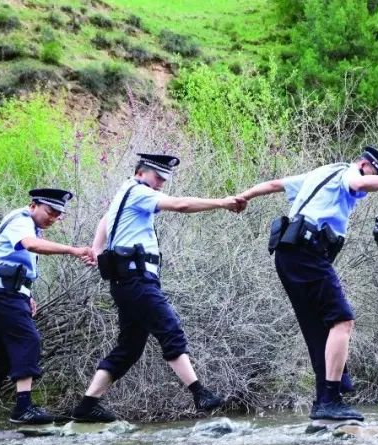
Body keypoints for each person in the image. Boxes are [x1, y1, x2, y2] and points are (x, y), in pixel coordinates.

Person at [235, 147, 378, 421]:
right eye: (376, 174)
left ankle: (324, 402)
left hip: (288, 254)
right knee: (342, 320)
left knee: (319, 329)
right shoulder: (348, 173)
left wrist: (245, 196)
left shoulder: (322, 172)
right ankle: (330, 399)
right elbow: (358, 182)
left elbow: (275, 184)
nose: (369, 189)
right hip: (307, 253)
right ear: (364, 164)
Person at [70, 153, 246, 422]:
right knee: (170, 329)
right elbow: (181, 205)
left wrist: (97, 248)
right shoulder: (139, 191)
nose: (161, 183)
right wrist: (222, 202)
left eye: (165, 179)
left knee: (129, 348)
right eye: (158, 177)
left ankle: (87, 405)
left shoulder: (124, 191)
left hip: (127, 282)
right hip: (136, 280)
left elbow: (106, 219)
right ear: (141, 173)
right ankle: (200, 393)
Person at [0, 189, 96, 428]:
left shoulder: (30, 225)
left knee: (3, 354)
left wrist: (26, 295)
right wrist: (73, 250)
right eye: (50, 211)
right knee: (28, 340)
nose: (53, 217)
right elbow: (30, 246)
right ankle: (23, 408)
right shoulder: (21, 220)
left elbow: (15, 263)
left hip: (8, 294)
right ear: (33, 205)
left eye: (58, 214)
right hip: (2, 294)